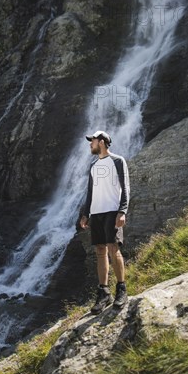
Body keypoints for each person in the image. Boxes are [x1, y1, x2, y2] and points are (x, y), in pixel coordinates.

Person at [80, 130, 130, 314]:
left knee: (113, 247)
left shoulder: (118, 161)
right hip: (96, 213)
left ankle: (121, 290)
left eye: (92, 141)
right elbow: (90, 192)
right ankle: (104, 292)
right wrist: (86, 214)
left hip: (112, 211)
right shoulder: (93, 166)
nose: (89, 144)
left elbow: (126, 188)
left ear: (101, 142)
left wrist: (122, 211)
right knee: (100, 250)